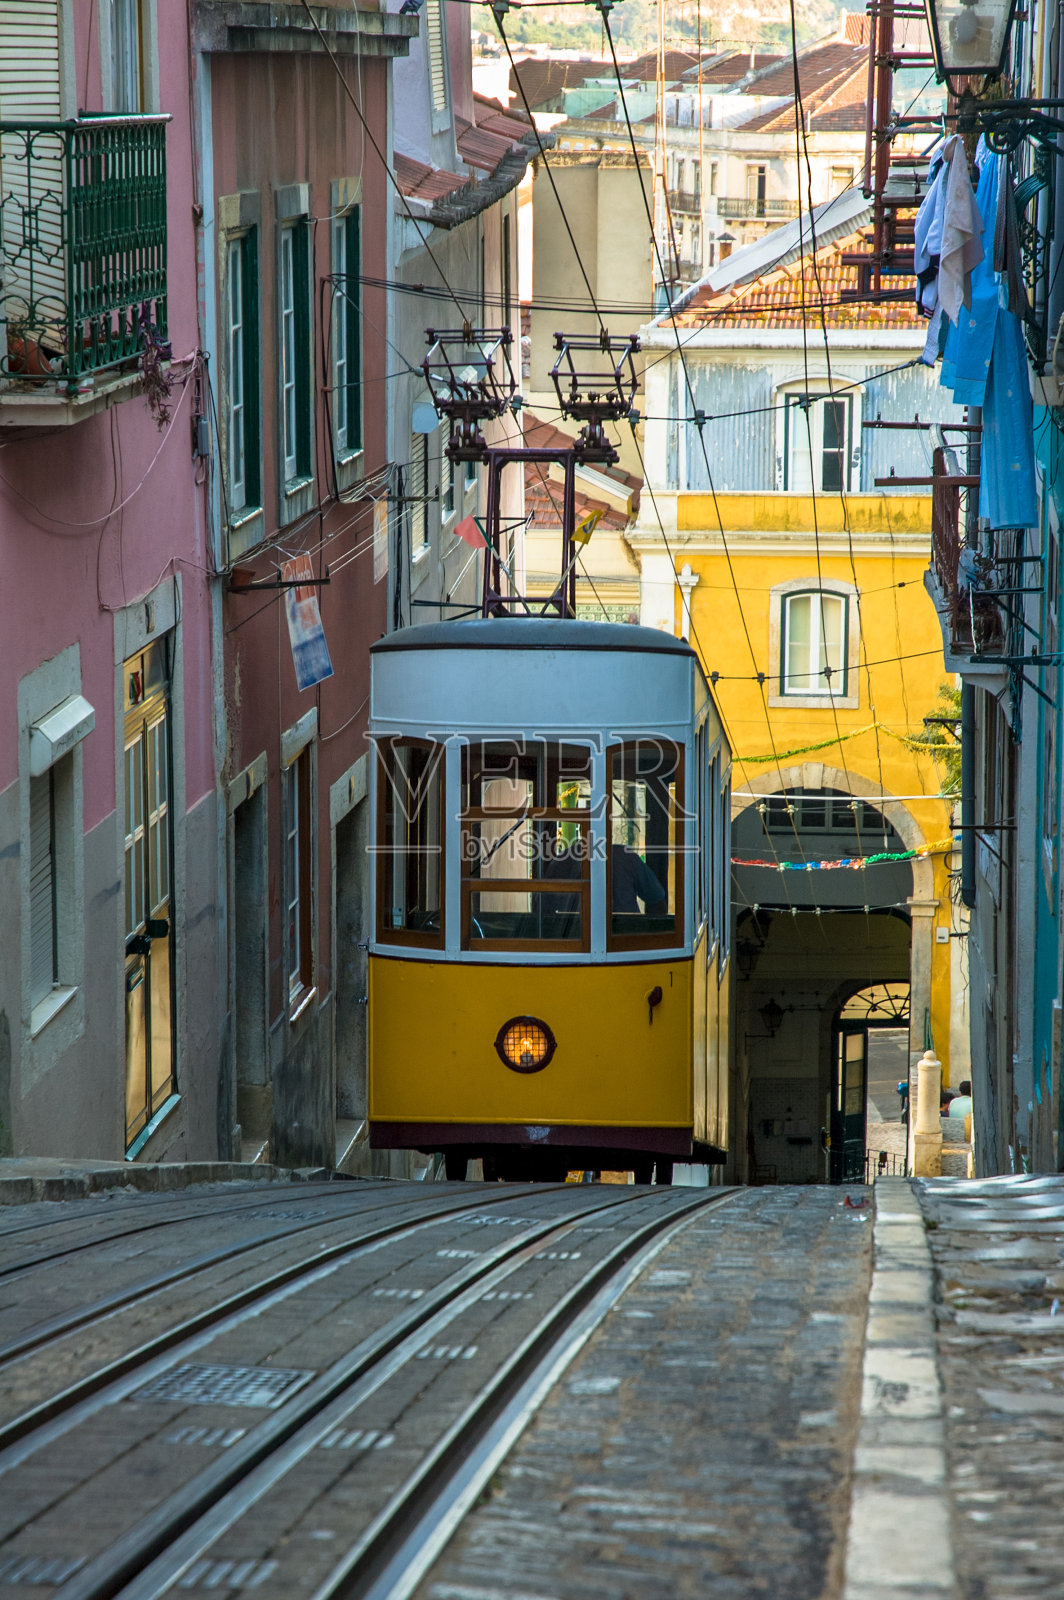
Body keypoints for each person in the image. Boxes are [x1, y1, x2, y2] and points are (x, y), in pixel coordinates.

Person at [611, 844, 666, 916]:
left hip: (628, 924)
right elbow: (657, 901)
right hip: (629, 924)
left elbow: (656, 900)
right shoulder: (624, 855)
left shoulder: (624, 855)